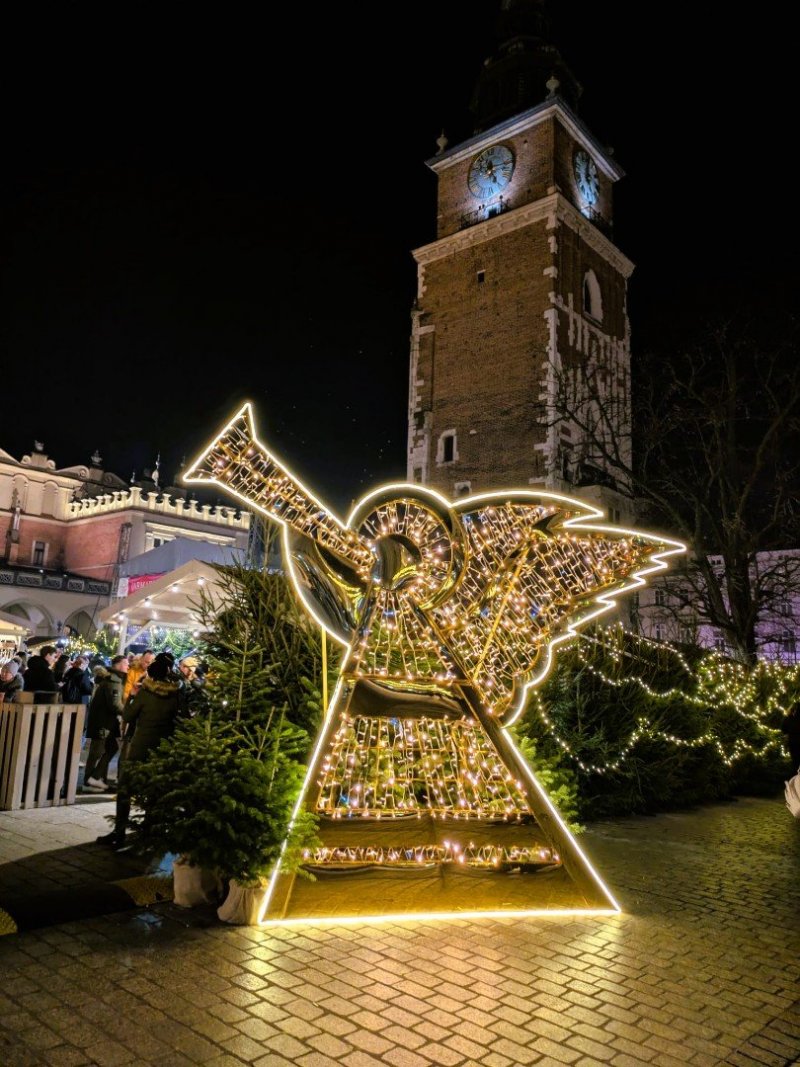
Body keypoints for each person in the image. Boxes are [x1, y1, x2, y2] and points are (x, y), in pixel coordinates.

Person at [97, 651, 181, 849]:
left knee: (126, 789)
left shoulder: (145, 693)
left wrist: (133, 697)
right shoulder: (176, 694)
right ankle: (147, 834)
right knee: (154, 792)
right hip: (162, 749)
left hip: (141, 747)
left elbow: (127, 715)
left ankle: (119, 833)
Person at [83, 655, 129, 791]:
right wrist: (129, 713)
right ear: (118, 665)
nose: (128, 666)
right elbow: (114, 705)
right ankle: (90, 780)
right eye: (125, 663)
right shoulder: (114, 681)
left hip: (104, 721)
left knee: (108, 748)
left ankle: (93, 778)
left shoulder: (112, 679)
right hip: (103, 722)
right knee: (98, 751)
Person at [782, 701, 800, 771]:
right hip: (794, 742)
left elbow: (784, 729)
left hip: (793, 742)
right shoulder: (790, 718)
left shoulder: (789, 718)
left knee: (795, 761)